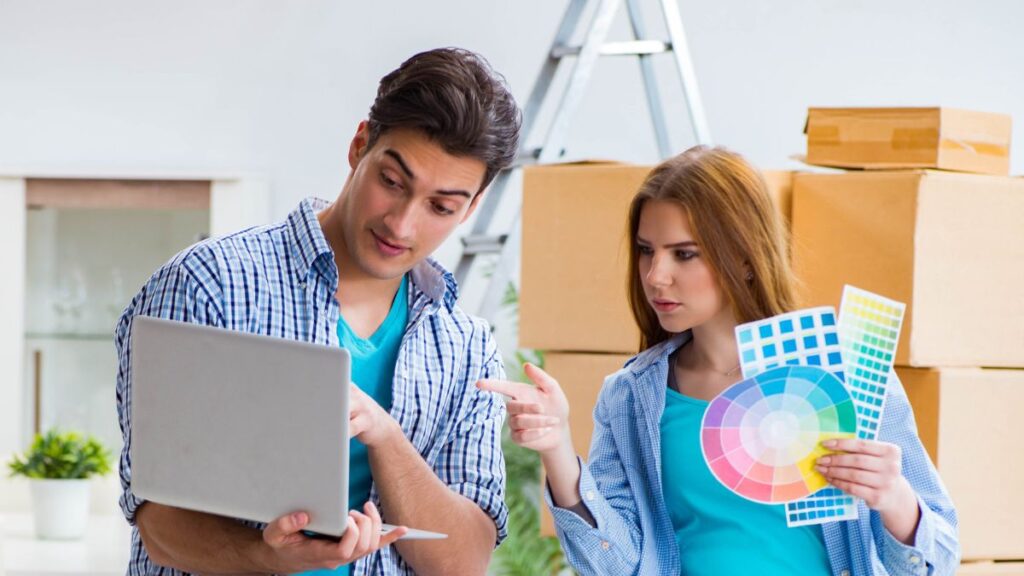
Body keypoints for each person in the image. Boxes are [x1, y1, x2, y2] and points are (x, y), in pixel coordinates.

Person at [115, 47, 521, 575]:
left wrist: (386, 437)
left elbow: (463, 560)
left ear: (471, 206)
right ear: (359, 146)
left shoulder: (466, 348)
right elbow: (159, 522)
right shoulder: (206, 286)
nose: (401, 224)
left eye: (441, 207)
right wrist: (266, 556)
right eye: (393, 182)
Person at [479, 146, 960, 575]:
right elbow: (615, 567)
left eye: (684, 254)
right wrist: (558, 450)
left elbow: (938, 560)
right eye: (647, 251)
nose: (656, 276)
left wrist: (895, 497)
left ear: (746, 257)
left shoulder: (843, 372)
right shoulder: (630, 397)